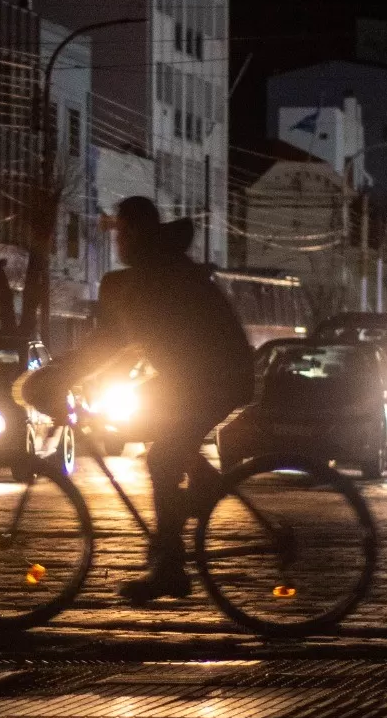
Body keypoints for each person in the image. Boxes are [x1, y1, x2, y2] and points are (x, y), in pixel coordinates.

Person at [21, 196, 254, 604]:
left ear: (141, 231)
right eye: (116, 231)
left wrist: (54, 378)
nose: (118, 240)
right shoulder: (155, 270)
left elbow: (109, 343)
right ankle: (199, 493)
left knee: (162, 458)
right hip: (195, 375)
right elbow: (124, 347)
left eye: (124, 230)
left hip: (214, 377)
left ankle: (169, 568)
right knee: (139, 424)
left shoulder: (155, 277)